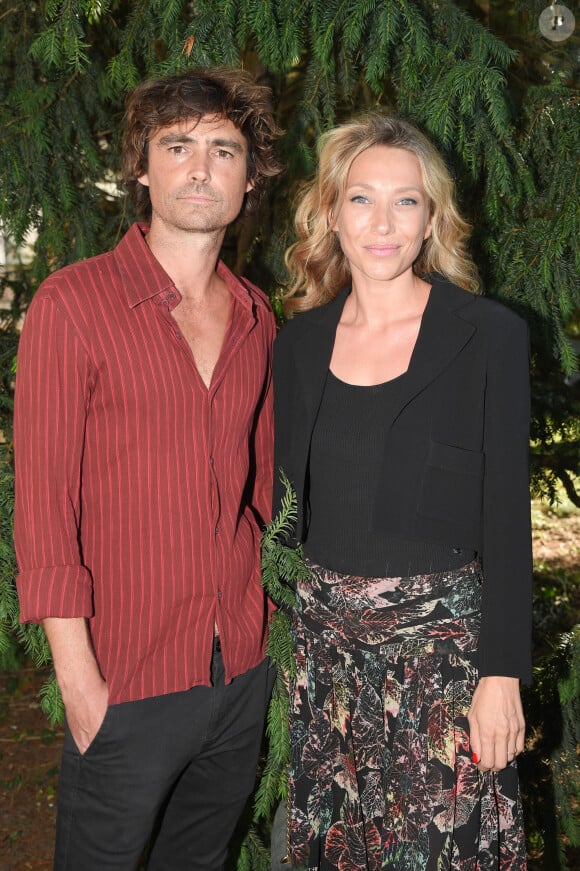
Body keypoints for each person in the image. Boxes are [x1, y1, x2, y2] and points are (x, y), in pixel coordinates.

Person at [14, 67, 281, 870]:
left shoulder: (258, 318)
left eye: (224, 150)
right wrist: (79, 681)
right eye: (178, 146)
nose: (201, 167)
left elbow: (263, 490)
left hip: (238, 673)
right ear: (142, 167)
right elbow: (44, 505)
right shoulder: (72, 304)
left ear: (248, 179)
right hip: (124, 678)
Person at [273, 113, 531, 869]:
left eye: (406, 201)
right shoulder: (298, 344)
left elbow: (506, 515)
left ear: (430, 220)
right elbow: (290, 512)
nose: (382, 222)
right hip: (327, 668)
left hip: (444, 665)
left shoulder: (487, 334)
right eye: (361, 199)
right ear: (330, 213)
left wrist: (502, 672)